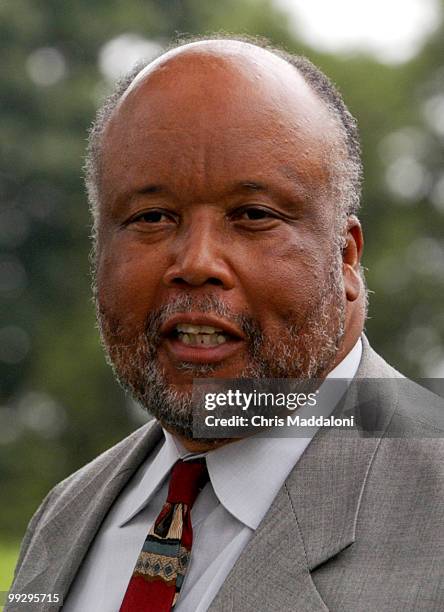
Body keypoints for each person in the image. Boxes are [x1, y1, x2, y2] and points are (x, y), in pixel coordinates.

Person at [7, 37, 444, 612]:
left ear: (346, 258)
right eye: (152, 217)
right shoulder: (65, 518)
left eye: (254, 216)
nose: (195, 263)